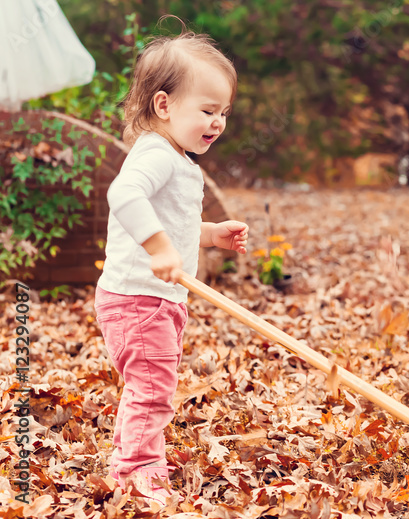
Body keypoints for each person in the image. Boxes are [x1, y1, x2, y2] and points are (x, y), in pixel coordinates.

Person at [93, 27, 248, 508]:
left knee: (150, 386)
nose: (217, 122)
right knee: (153, 389)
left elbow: (171, 220)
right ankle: (136, 474)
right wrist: (160, 248)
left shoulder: (178, 160)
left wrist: (208, 232)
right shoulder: (156, 154)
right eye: (206, 110)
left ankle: (137, 455)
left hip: (154, 299)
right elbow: (123, 195)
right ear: (163, 105)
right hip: (138, 300)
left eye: (223, 112)